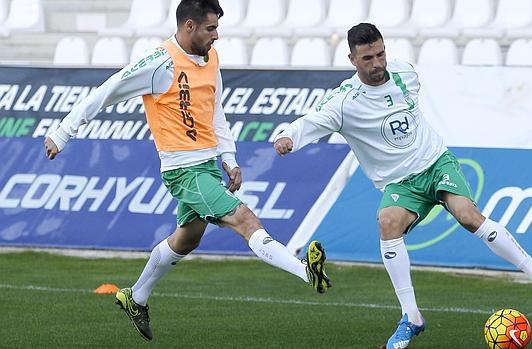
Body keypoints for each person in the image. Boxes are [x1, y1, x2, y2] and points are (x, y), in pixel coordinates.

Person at [43, 0, 331, 341]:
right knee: (245, 220)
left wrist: (229, 158)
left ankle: (136, 297)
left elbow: (215, 111)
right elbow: (108, 91)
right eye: (211, 28)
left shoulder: (211, 59)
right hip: (183, 170)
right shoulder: (159, 63)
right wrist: (62, 132)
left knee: (187, 238)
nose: (217, 35)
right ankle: (305, 272)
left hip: (207, 165)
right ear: (189, 25)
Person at [273, 23, 532, 349]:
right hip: (401, 182)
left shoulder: (404, 73)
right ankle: (411, 318)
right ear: (352, 59)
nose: (377, 63)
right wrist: (288, 138)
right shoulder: (344, 102)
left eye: (381, 53)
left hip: (435, 161)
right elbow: (310, 122)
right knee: (387, 222)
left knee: (468, 216)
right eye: (368, 57)